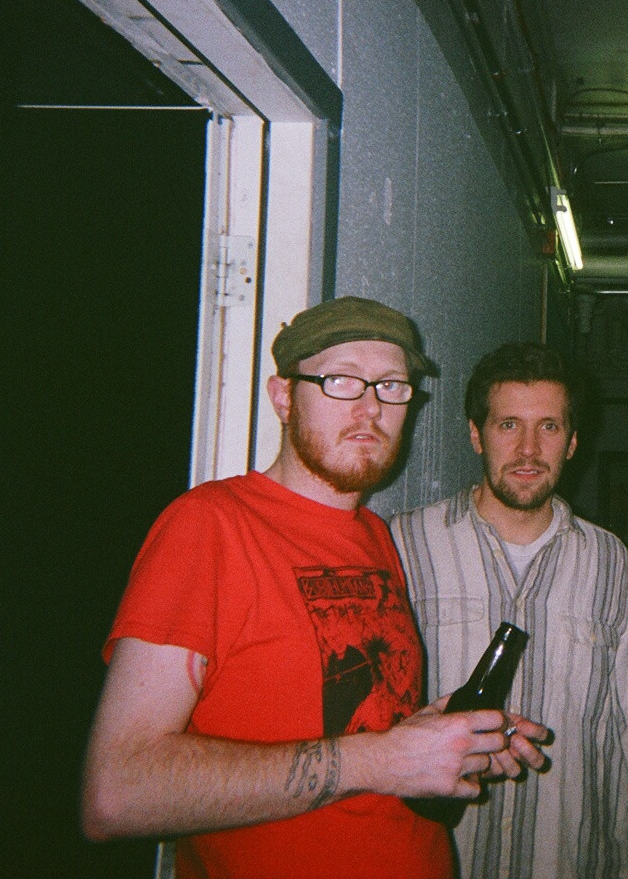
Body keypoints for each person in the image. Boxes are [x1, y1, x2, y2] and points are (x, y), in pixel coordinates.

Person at [81, 297, 548, 879]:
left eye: (392, 386)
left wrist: (435, 739)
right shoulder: (210, 527)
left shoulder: (373, 536)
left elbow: (355, 729)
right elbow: (116, 792)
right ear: (283, 397)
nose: (370, 408)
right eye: (341, 381)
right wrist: (379, 759)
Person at [390, 342, 628, 879]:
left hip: (571, 860)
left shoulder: (609, 561)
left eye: (549, 427)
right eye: (508, 424)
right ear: (476, 434)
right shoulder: (404, 545)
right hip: (444, 860)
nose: (528, 449)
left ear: (573, 442)